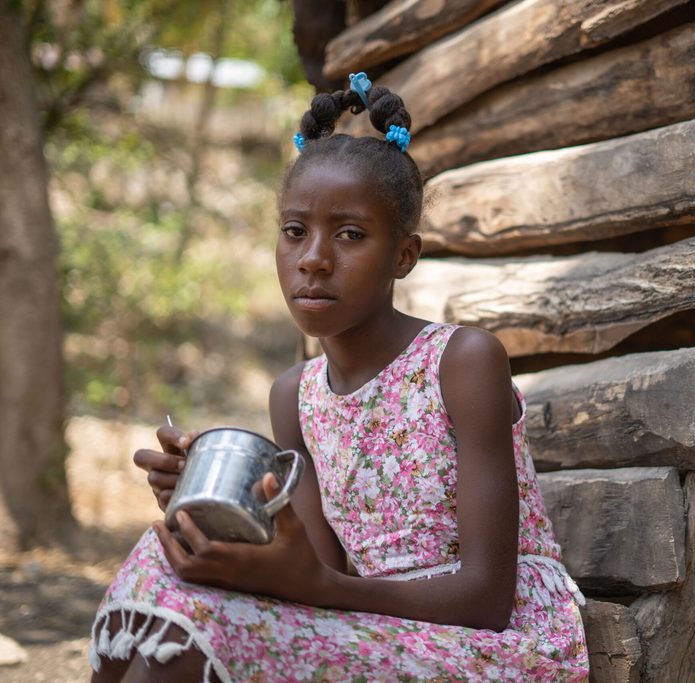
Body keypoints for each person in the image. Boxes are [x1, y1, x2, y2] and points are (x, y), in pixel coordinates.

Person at [87, 75, 589, 682]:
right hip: (371, 627)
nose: (314, 258)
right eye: (295, 231)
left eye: (350, 235)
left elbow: (484, 600)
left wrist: (317, 585)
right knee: (163, 578)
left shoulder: (462, 361)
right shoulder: (294, 396)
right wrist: (210, 504)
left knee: (192, 638)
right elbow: (318, 572)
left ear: (404, 255)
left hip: (499, 646)